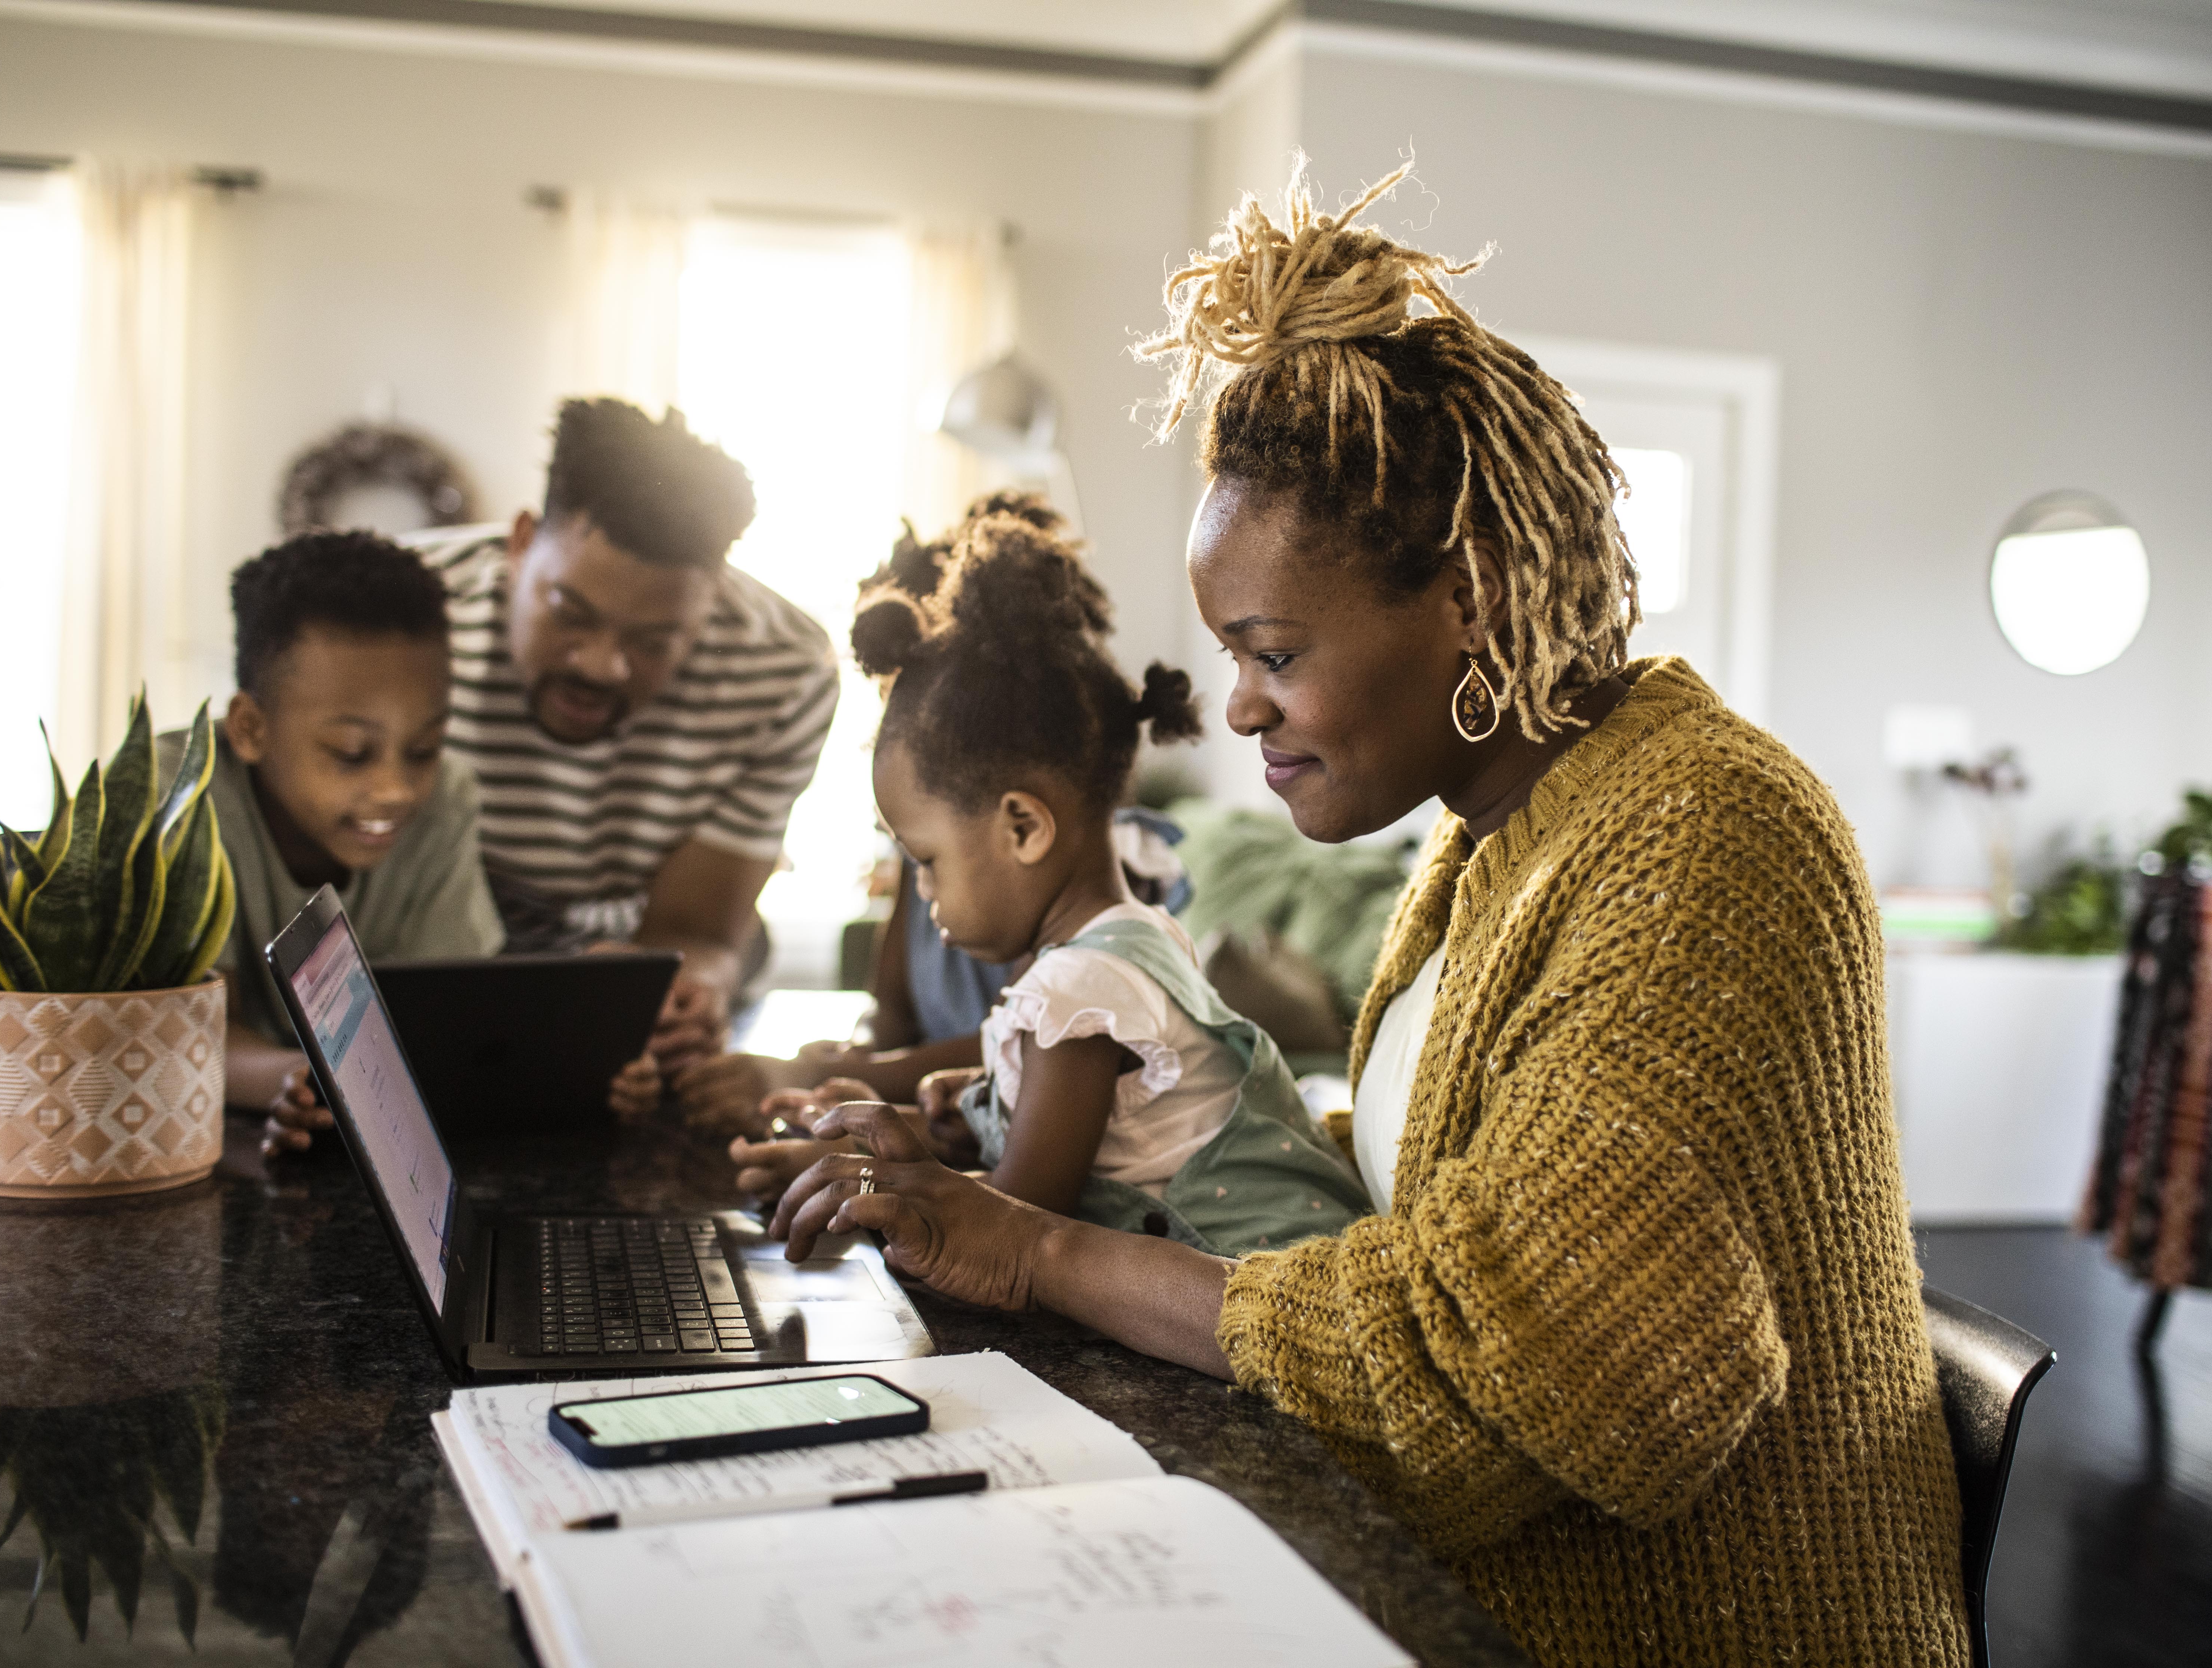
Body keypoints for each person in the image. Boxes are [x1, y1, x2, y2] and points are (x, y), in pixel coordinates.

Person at [760, 163, 1970, 1667]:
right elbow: (1437, 1193)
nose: (1241, 702)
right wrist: (1033, 1145)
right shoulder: (1494, 837)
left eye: (1270, 648)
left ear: (1469, 594)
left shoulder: (1706, 838)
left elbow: (1552, 1372)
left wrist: (1039, 1251)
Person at [730, 504, 1368, 1257]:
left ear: (1023, 828)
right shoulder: (1124, 943)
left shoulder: (1080, 988)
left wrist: (863, 1176)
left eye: (928, 860)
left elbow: (1013, 1224)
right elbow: (1109, 1138)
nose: (922, 891)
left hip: (1267, 1300)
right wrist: (962, 1106)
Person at [674, 493, 1195, 1126]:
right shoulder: (934, 850)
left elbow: (1030, 1057)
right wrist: (850, 1075)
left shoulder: (1099, 900)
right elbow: (893, 1018)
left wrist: (831, 1077)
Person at [411, 398, 839, 1094]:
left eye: (654, 642)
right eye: (570, 615)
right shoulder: (406, 615)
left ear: (712, 601)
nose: (602, 666)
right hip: (446, 942)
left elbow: (698, 928)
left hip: (637, 940)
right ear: (521, 543)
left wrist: (681, 987)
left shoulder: (785, 667)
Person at [171, 531, 503, 1156]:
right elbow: (182, 1032)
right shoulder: (181, 797)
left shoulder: (447, 798)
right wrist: (294, 1080)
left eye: (424, 749)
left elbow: (447, 1022)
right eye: (352, 753)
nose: (397, 789)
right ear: (249, 729)